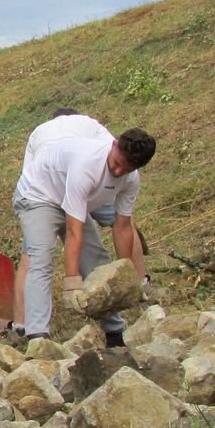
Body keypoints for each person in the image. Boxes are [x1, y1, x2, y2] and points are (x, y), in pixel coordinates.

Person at [12, 120, 155, 345]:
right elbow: (73, 231)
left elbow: (123, 226)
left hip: (71, 200)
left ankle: (115, 334)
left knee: (97, 260)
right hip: (38, 195)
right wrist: (72, 283)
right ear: (114, 144)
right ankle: (38, 338)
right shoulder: (87, 165)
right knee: (41, 258)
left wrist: (123, 273)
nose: (118, 171)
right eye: (116, 163)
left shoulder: (130, 179)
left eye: (125, 170)